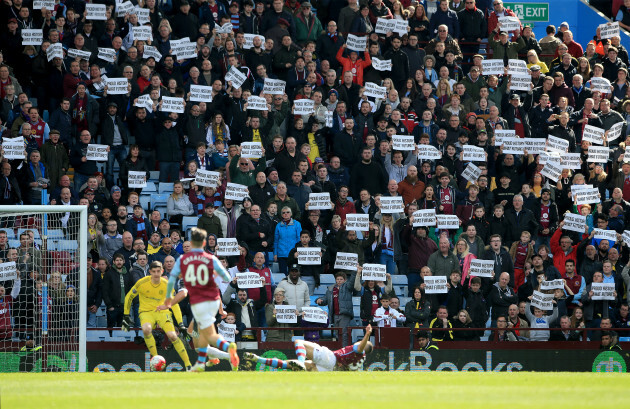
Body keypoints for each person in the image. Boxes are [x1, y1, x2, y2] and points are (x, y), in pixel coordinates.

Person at [164, 228, 238, 372]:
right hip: (212, 302)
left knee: (208, 337)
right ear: (204, 243)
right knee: (193, 333)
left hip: (202, 303)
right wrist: (221, 308)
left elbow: (177, 284)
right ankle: (212, 358)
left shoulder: (185, 261)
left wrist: (168, 302)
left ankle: (228, 350)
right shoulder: (211, 259)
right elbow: (226, 279)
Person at [122, 261, 191, 370]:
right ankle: (155, 358)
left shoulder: (167, 285)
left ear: (162, 271)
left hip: (163, 312)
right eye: (153, 271)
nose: (156, 274)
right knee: (146, 329)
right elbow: (129, 297)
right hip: (146, 312)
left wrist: (181, 323)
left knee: (172, 336)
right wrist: (126, 315)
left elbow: (174, 304)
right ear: (150, 272)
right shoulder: (141, 283)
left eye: (158, 271)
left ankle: (188, 365)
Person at [243, 324, 374, 371]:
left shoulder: (360, 349)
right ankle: (257, 359)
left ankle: (300, 362)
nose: (357, 343)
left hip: (330, 358)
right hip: (329, 369)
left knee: (299, 342)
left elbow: (361, 346)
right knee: (287, 365)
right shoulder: (359, 359)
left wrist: (367, 334)